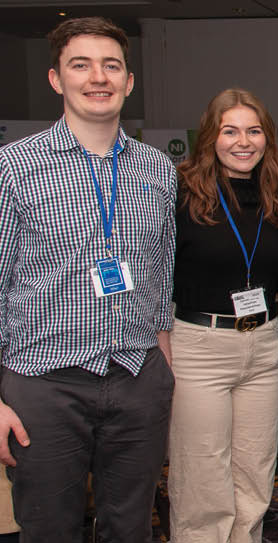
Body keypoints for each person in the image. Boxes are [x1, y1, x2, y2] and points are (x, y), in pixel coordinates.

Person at [0, 16, 176, 541]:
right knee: (50, 530)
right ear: (57, 79)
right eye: (81, 65)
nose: (97, 77)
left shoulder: (156, 169)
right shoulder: (14, 168)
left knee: (130, 529)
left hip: (136, 376)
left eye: (111, 66)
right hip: (45, 383)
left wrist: (162, 365)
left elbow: (160, 273)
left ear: (129, 81)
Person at [167, 88, 278, 542]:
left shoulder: (272, 200)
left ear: (267, 139)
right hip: (201, 349)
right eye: (230, 130)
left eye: (253, 131)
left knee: (255, 480)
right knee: (203, 487)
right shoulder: (181, 197)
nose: (243, 141)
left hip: (263, 348)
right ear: (209, 139)